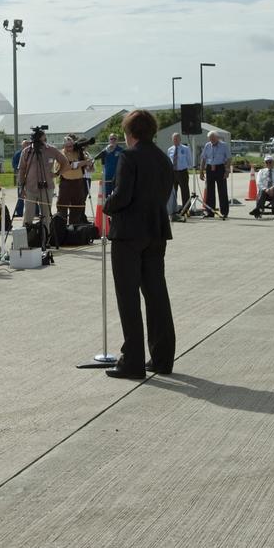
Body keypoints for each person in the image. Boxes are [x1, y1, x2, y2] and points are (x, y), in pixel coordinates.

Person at [102, 110, 175, 380]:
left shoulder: (128, 157)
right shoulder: (162, 158)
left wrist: (107, 205)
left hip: (128, 234)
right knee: (156, 295)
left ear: (129, 132)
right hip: (155, 231)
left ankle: (132, 360)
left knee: (128, 298)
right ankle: (162, 357)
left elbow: (122, 196)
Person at [16, 134, 70, 231]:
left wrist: (57, 173)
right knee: (28, 215)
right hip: (30, 188)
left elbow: (65, 163)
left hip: (47, 187)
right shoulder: (27, 151)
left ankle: (46, 237)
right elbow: (21, 170)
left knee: (46, 216)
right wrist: (21, 186)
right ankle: (27, 238)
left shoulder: (51, 150)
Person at [56, 135, 93, 223]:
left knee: (78, 205)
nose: (70, 148)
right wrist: (84, 162)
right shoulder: (61, 154)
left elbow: (89, 165)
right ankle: (62, 226)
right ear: (64, 146)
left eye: (72, 146)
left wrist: (88, 164)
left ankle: (74, 226)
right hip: (66, 183)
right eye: (68, 146)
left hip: (78, 182)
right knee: (62, 206)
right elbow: (71, 165)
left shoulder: (78, 153)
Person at [198, 132, 229, 220]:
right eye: (210, 139)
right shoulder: (207, 145)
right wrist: (201, 171)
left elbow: (229, 158)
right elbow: (203, 158)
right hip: (209, 168)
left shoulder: (224, 145)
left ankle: (224, 212)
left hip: (220, 168)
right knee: (210, 191)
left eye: (213, 138)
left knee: (222, 190)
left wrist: (227, 171)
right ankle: (210, 212)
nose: (212, 140)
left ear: (217, 138)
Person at [95, 134, 125, 199]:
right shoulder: (105, 150)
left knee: (118, 195)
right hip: (107, 176)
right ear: (109, 140)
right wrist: (106, 150)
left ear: (117, 140)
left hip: (117, 176)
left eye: (115, 139)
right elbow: (96, 157)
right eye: (111, 139)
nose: (113, 140)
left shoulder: (121, 150)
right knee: (106, 195)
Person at [12, 139, 30, 219]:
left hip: (31, 177)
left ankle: (36, 212)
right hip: (21, 176)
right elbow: (14, 164)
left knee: (33, 194)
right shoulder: (18, 154)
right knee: (21, 194)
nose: (26, 145)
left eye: (27, 144)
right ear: (22, 145)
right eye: (25, 144)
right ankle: (19, 212)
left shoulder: (31, 153)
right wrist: (22, 169)